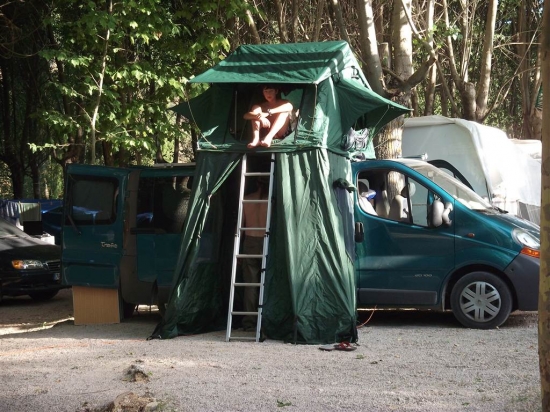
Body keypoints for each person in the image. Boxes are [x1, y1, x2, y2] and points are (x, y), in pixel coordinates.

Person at [241, 177, 269, 331]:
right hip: (266, 239)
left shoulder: (247, 199)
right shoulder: (271, 201)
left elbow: (241, 226)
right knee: (268, 282)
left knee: (250, 285)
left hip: (250, 240)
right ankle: (266, 320)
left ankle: (249, 322)